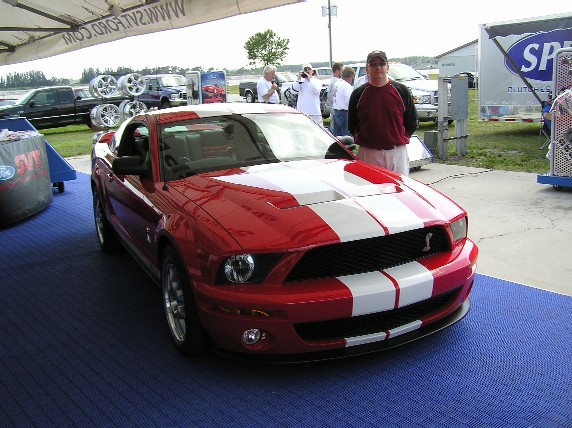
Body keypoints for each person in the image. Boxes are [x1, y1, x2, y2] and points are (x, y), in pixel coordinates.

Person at [348, 50, 418, 176]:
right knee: (370, 191)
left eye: (381, 63)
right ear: (367, 69)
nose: (378, 67)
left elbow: (412, 121)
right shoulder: (358, 94)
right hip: (369, 153)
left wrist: (401, 137)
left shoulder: (401, 91)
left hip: (397, 152)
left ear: (387, 67)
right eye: (373, 64)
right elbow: (352, 124)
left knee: (400, 191)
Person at [331, 65, 355, 137]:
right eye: (352, 77)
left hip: (336, 112)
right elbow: (349, 102)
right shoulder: (347, 86)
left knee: (338, 137)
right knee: (347, 138)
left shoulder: (337, 83)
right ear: (350, 76)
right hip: (344, 114)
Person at [327, 63, 343, 130]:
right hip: (337, 112)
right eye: (342, 71)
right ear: (337, 71)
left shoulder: (330, 81)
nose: (343, 73)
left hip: (332, 111)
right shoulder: (338, 82)